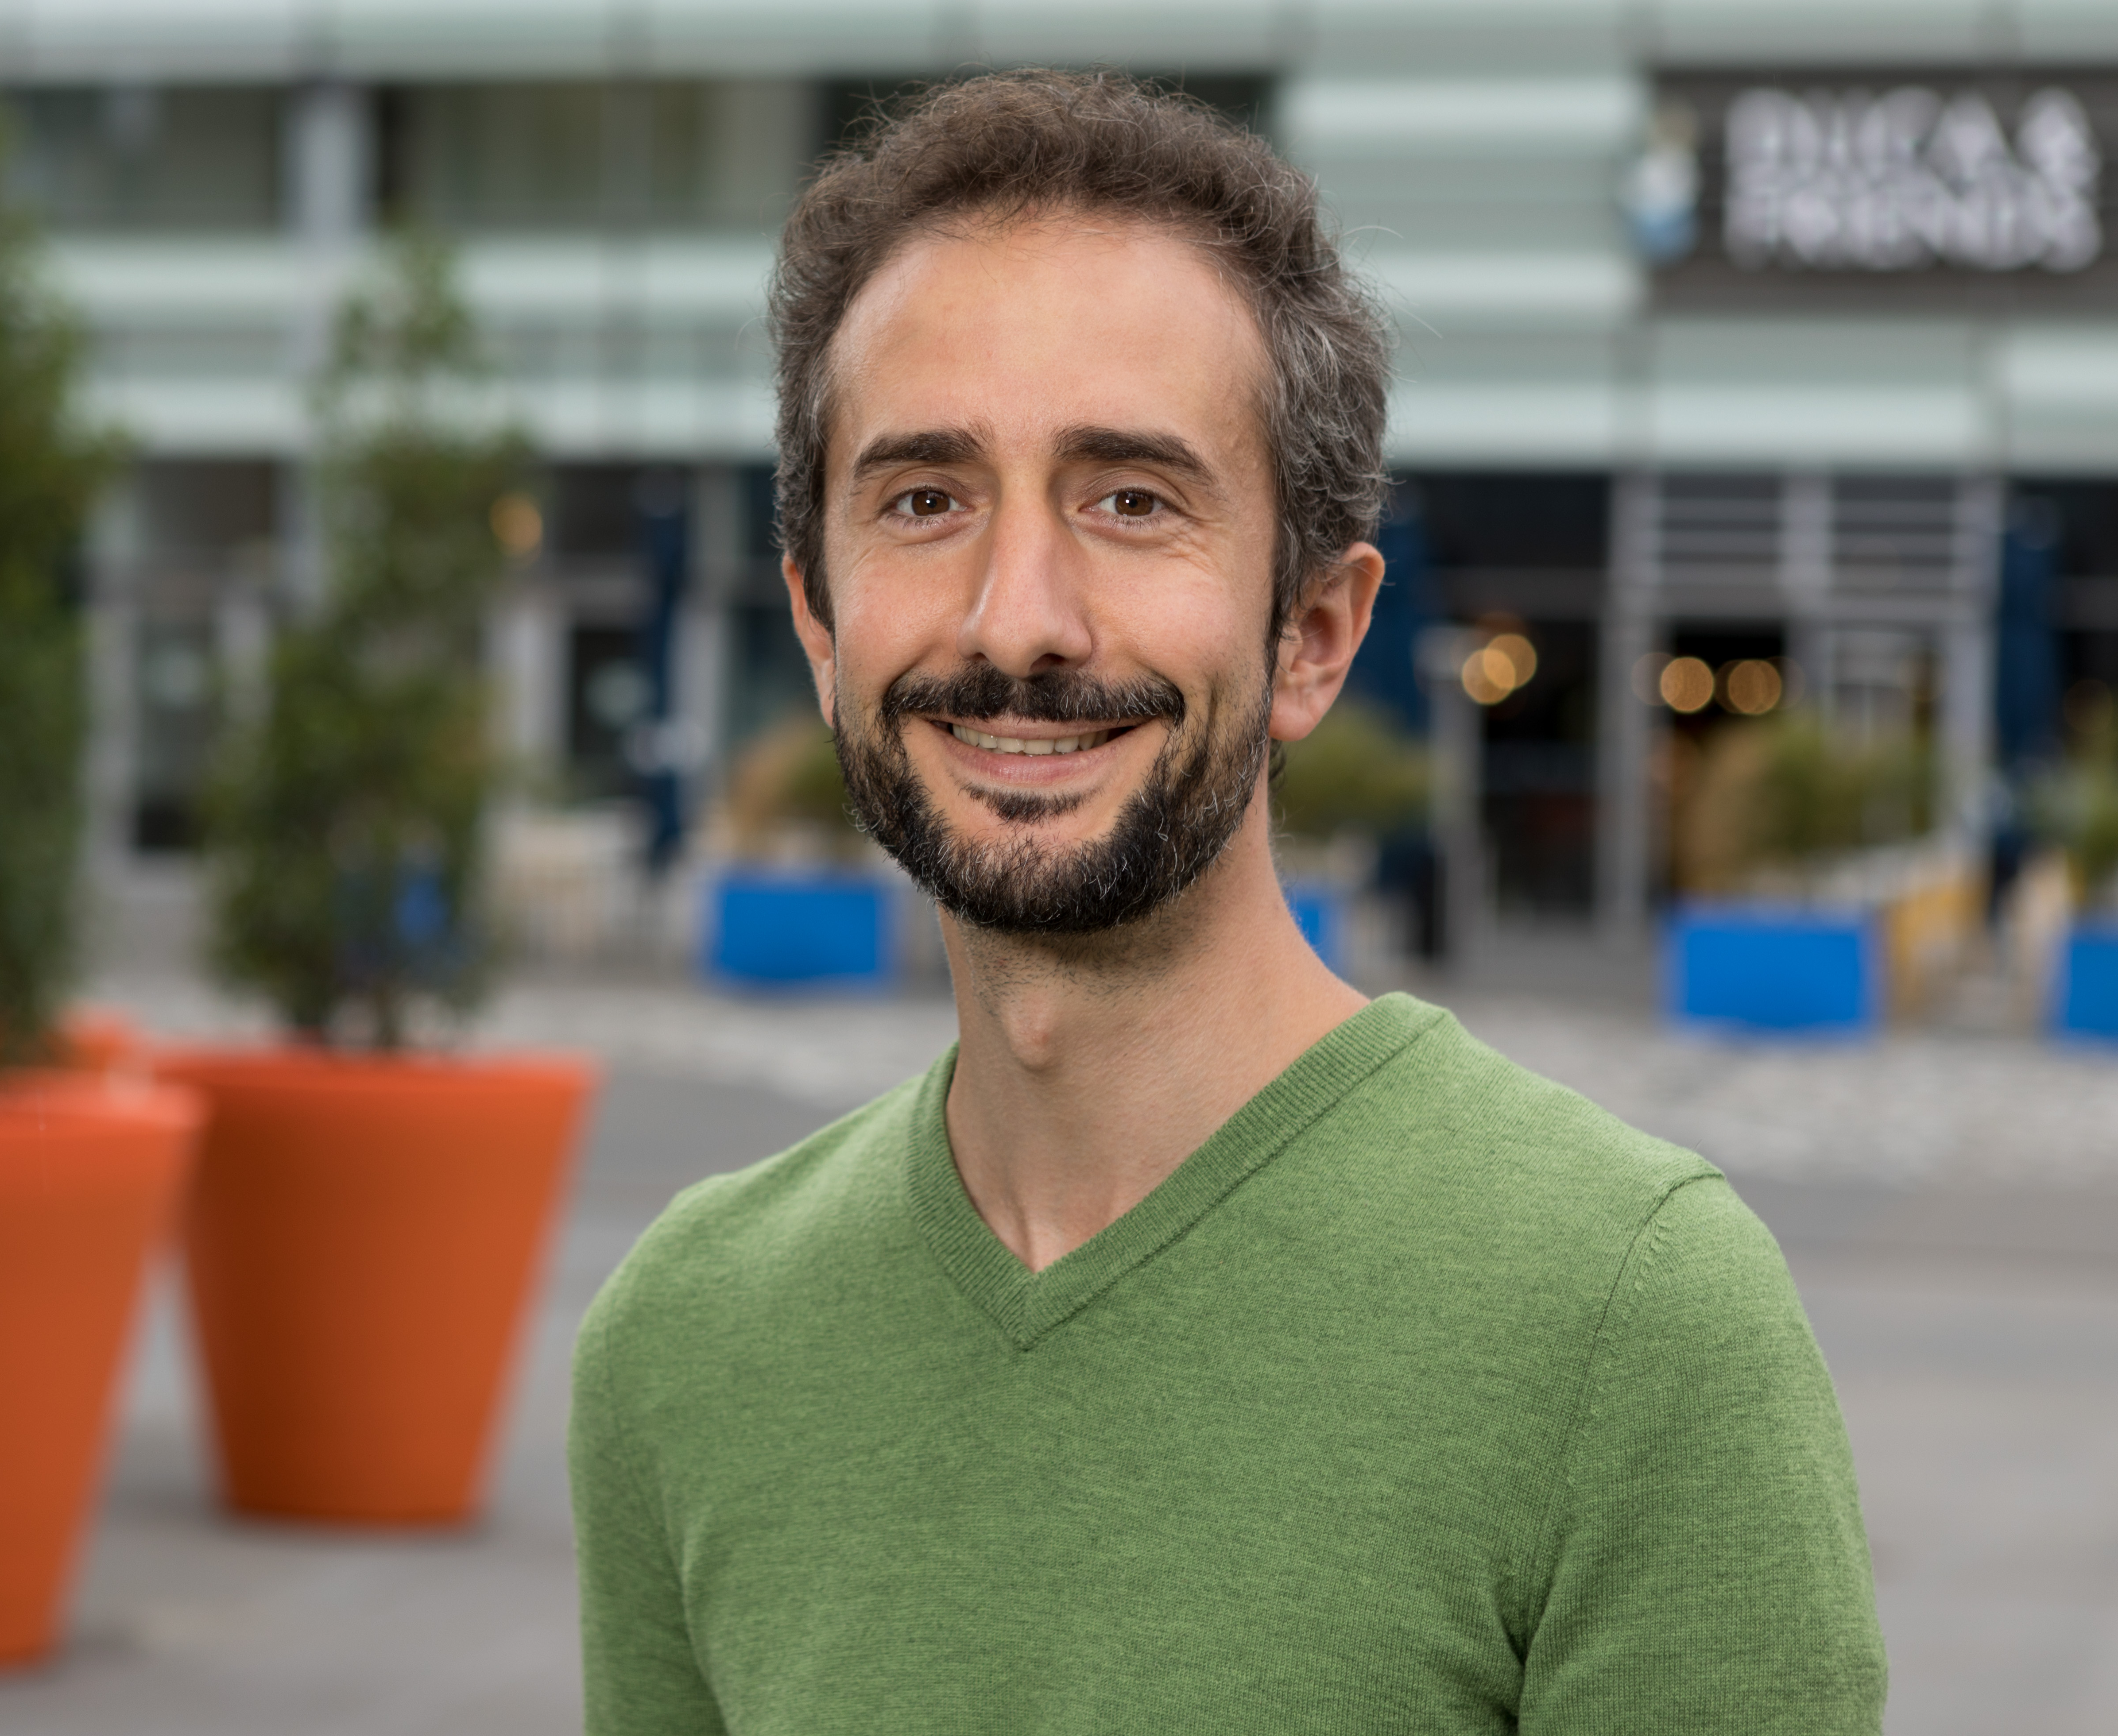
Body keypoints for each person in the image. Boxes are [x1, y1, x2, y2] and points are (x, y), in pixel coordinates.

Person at [569, 70, 1885, 1735]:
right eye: (923, 498)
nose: (1018, 617)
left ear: (1313, 636)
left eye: (1131, 499)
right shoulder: (684, 1340)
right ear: (819, 626)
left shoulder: (1637, 1321)